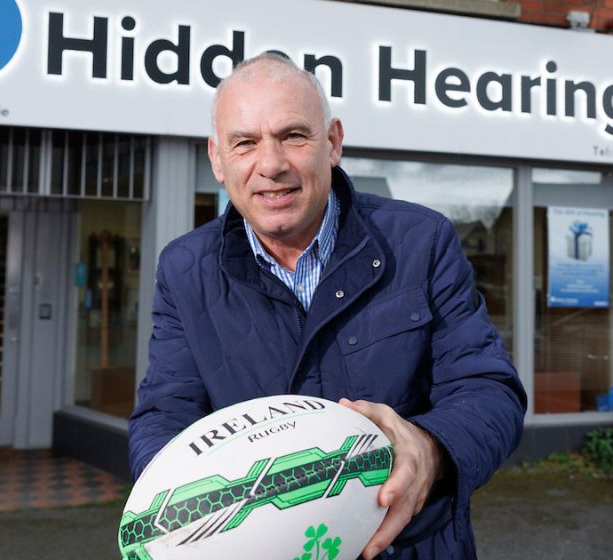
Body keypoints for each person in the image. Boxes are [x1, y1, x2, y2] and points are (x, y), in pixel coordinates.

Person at [128, 52, 527, 559]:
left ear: (333, 142)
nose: (270, 164)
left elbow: (489, 390)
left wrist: (430, 449)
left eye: (293, 136)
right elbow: (166, 413)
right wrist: (178, 519)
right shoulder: (185, 269)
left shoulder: (420, 242)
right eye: (245, 142)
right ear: (217, 159)